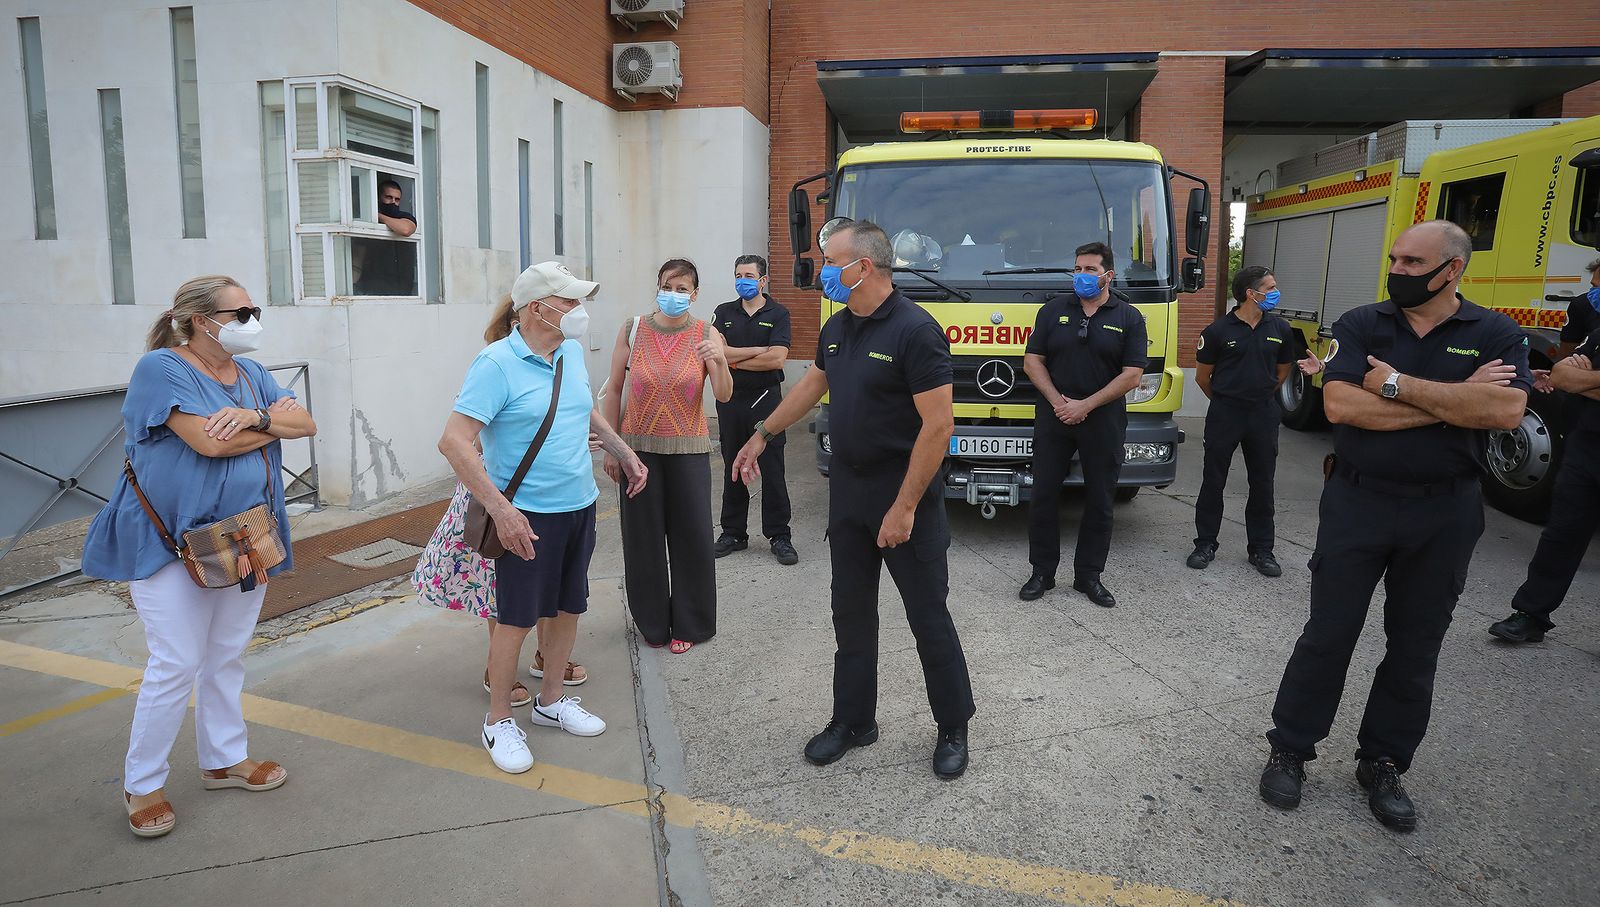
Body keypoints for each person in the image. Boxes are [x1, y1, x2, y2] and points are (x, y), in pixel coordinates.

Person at [1258, 221, 1530, 832]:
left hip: (1445, 512)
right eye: (1395, 259)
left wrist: (1395, 386)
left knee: (1415, 645)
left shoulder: (1495, 332)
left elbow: (1506, 410)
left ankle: (1383, 762)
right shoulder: (1361, 324)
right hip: (1359, 502)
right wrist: (1455, 402)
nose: (1398, 271)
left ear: (1452, 269)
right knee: (1329, 633)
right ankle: (1291, 749)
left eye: (1413, 263)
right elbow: (1341, 405)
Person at [732, 220, 976, 779]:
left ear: (863, 266)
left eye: (831, 262)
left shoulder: (916, 330)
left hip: (904, 495)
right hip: (849, 494)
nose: (823, 272)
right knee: (850, 614)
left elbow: (938, 426)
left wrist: (905, 507)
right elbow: (812, 385)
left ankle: (953, 726)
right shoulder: (837, 326)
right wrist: (763, 433)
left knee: (927, 616)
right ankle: (853, 720)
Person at [82, 275, 317, 837]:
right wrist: (271, 424)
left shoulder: (252, 374)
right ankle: (143, 783)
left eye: (253, 311)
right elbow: (210, 443)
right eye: (240, 314)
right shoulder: (161, 369)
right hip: (168, 541)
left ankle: (224, 759)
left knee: (226, 653)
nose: (252, 322)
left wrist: (255, 418)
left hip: (245, 537)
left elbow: (305, 424)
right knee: (176, 662)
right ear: (198, 320)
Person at [438, 261, 647, 775]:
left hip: (579, 504)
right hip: (526, 514)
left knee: (569, 606)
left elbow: (582, 410)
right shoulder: (496, 363)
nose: (579, 310)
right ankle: (498, 720)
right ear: (537, 308)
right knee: (515, 619)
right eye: (569, 301)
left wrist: (622, 451)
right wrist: (501, 510)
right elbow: (454, 441)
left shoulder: (569, 352)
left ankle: (552, 700)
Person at [602, 259, 733, 654]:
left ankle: (691, 623)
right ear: (657, 287)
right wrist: (613, 447)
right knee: (642, 540)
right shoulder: (633, 328)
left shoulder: (706, 332)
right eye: (666, 286)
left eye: (682, 288)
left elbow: (724, 394)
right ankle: (653, 622)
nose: (673, 294)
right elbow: (614, 389)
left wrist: (719, 359)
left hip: (688, 450)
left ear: (695, 294)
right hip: (636, 451)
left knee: (692, 538)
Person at [1018, 242, 1147, 607]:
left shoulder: (1129, 317)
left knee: (1101, 499)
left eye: (1090, 270)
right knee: (1043, 496)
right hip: (1055, 416)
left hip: (1102, 418)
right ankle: (1042, 572)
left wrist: (1086, 405)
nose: (1081, 276)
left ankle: (1088, 576)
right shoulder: (1053, 310)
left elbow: (1132, 375)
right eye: (1077, 269)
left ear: (1108, 275)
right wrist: (1059, 403)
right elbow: (1032, 361)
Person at [1488, 319, 1600, 644]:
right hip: (1586, 449)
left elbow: (1573, 381)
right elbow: (1561, 376)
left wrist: (1584, 382)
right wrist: (1578, 381)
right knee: (1561, 535)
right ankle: (1530, 615)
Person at [1187, 266, 1295, 576]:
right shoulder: (1217, 331)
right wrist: (1226, 400)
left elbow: (1283, 370)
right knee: (1213, 480)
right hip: (1226, 414)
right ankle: (1205, 544)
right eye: (1270, 287)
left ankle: (1261, 550)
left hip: (1263, 413)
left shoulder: (1280, 328)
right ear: (1251, 293)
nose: (1275, 292)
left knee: (1262, 483)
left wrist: (1261, 395)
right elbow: (1203, 378)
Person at [711, 254, 797, 565]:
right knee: (732, 466)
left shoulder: (779, 313)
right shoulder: (723, 312)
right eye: (738, 275)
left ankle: (779, 535)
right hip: (731, 399)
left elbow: (777, 359)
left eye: (748, 276)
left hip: (767, 400)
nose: (742, 281)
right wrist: (757, 351)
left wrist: (732, 357)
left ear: (763, 280)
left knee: (772, 467)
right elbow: (716, 354)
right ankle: (733, 533)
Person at [352, 180, 418, 295]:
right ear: (378, 198)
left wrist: (378, 216)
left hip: (403, 288)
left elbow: (406, 229)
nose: (393, 202)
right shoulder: (368, 222)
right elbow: (358, 258)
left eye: (397, 199)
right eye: (388, 197)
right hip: (373, 287)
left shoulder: (403, 216)